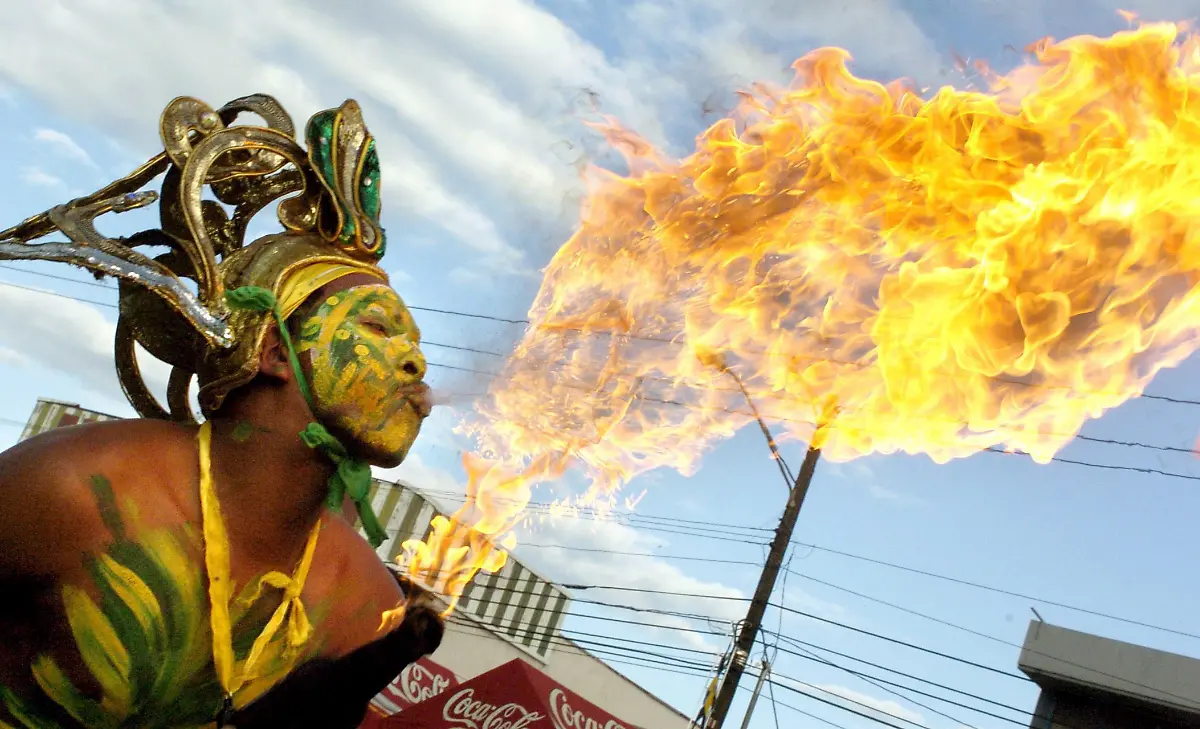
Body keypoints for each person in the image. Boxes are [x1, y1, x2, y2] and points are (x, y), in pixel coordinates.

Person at [0, 93, 445, 728]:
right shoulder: (79, 491)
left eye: (416, 344)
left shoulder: (362, 604)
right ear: (274, 352)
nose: (415, 363)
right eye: (378, 327)